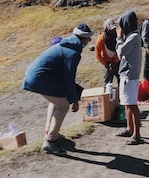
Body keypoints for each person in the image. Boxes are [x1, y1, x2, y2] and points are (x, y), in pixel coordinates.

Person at [22, 22, 93, 156]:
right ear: (83, 38)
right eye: (88, 38)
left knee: (56, 100)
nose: (90, 41)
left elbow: (65, 77)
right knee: (63, 105)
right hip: (40, 78)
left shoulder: (65, 44)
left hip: (34, 75)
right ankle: (50, 141)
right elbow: (68, 78)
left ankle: (50, 132)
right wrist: (74, 100)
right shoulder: (73, 53)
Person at [115, 10, 143, 145]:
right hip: (126, 74)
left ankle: (137, 135)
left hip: (130, 76)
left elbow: (120, 52)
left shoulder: (133, 37)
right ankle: (129, 128)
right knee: (126, 103)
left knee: (132, 105)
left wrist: (119, 37)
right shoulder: (132, 35)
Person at [94, 18, 120, 89]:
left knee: (121, 78)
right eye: (110, 29)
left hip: (117, 61)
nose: (112, 31)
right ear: (106, 29)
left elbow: (121, 49)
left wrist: (115, 61)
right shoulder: (101, 39)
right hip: (107, 62)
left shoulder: (118, 35)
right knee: (108, 82)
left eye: (114, 29)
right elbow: (97, 53)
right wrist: (106, 64)